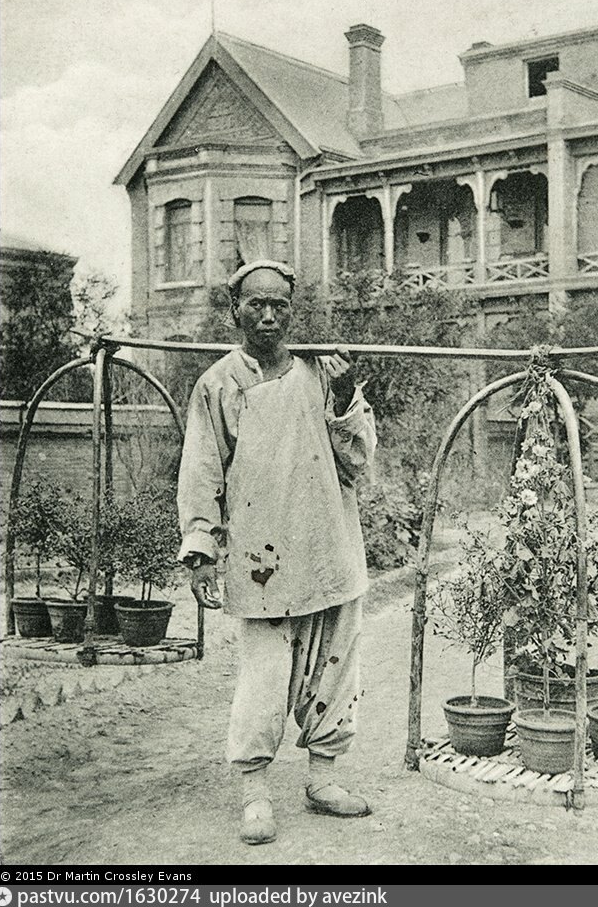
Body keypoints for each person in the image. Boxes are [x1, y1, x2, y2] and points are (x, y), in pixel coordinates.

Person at [176, 259, 377, 845]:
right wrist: (202, 548)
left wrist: (345, 396)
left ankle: (323, 779)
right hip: (262, 560)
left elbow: (357, 463)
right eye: (256, 304)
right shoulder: (217, 384)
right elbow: (201, 472)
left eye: (279, 306)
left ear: (292, 311)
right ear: (234, 311)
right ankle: (255, 793)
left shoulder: (322, 373)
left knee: (334, 669)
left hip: (329, 546)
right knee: (264, 678)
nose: (268, 315)